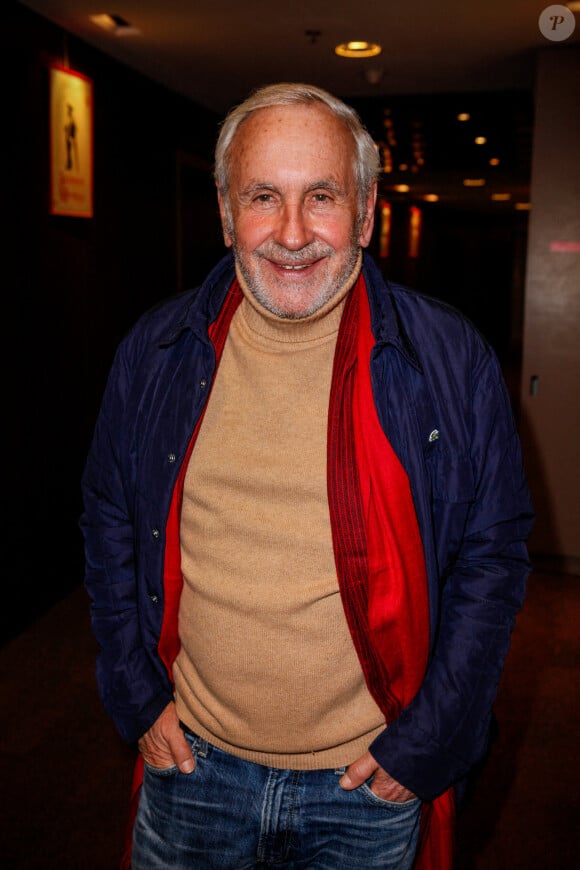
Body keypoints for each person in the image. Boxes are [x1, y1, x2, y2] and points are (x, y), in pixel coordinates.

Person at [80, 82, 534, 869]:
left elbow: (491, 559)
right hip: (189, 768)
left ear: (363, 212)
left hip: (368, 785)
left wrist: (422, 749)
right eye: (264, 197)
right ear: (227, 213)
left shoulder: (449, 359)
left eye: (320, 196)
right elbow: (108, 521)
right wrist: (136, 695)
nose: (292, 234)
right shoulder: (153, 353)